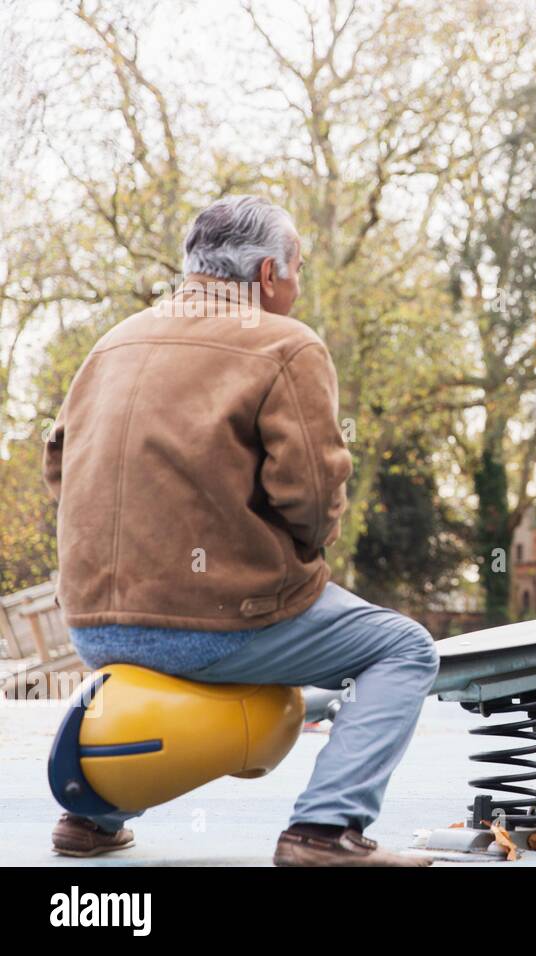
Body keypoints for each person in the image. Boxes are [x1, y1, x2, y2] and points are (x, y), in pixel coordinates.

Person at [44, 196, 437, 866]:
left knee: (242, 661)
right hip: (218, 623)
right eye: (298, 270)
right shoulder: (286, 345)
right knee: (402, 649)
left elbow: (58, 467)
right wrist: (301, 559)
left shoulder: (113, 343)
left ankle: (91, 817)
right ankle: (324, 832)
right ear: (266, 274)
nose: (298, 286)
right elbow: (311, 496)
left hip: (91, 621)